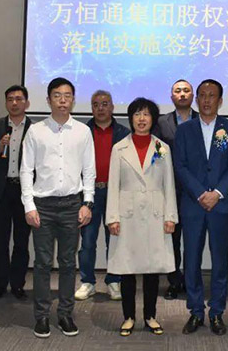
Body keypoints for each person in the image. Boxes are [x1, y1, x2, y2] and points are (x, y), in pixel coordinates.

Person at [20, 77, 96, 338]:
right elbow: (26, 170)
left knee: (67, 262)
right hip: (43, 205)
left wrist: (87, 203)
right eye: (57, 95)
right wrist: (29, 205)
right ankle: (41, 316)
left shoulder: (83, 132)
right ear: (48, 99)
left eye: (67, 95)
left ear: (73, 100)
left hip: (72, 205)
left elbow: (89, 171)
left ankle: (65, 314)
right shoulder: (36, 131)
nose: (62, 100)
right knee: (42, 263)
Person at [174, 79, 228, 335]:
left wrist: (218, 193)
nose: (206, 100)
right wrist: (201, 193)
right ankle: (195, 311)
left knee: (220, 260)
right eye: (202, 95)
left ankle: (216, 312)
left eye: (211, 95)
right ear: (196, 99)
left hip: (221, 205)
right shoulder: (185, 130)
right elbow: (180, 165)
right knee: (191, 259)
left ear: (220, 101)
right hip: (193, 204)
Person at [105, 97, 178, 336]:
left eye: (146, 114)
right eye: (137, 114)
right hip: (127, 215)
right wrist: (112, 217)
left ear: (153, 119)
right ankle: (128, 317)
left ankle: (150, 316)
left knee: (151, 269)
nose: (141, 119)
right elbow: (113, 185)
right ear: (131, 118)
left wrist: (170, 216)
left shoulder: (162, 148)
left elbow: (169, 185)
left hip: (156, 215)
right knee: (127, 267)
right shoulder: (119, 148)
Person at [75, 90, 130, 301]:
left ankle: (114, 281)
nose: (100, 108)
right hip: (89, 194)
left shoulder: (124, 133)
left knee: (114, 240)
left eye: (105, 104)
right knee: (88, 241)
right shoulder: (82, 131)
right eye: (96, 104)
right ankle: (87, 282)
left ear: (112, 107)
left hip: (115, 193)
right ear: (91, 108)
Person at [0, 85, 32, 300]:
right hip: (1, 191)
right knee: (0, 241)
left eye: (19, 99)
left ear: (27, 103)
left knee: (21, 241)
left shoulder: (35, 129)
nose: (14, 103)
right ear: (5, 103)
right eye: (10, 99)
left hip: (24, 191)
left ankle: (18, 284)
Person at [153, 79, 198, 300]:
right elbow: (157, 154)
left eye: (186, 90)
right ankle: (174, 281)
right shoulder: (162, 122)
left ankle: (191, 281)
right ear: (171, 97)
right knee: (171, 239)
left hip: (196, 191)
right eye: (177, 91)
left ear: (193, 95)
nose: (182, 94)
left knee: (193, 240)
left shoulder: (203, 119)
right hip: (169, 190)